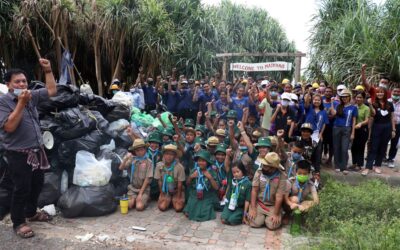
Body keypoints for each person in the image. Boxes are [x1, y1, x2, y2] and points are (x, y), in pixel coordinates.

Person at [0, 59, 56, 238]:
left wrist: (48, 71)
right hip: (18, 153)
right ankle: (18, 222)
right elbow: (9, 127)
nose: (22, 84)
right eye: (17, 81)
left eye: (24, 81)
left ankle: (31, 213)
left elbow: (51, 91)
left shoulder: (30, 96)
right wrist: (21, 103)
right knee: (21, 187)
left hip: (36, 151)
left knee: (37, 184)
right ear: (8, 85)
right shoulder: (4, 102)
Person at [248, 152, 288, 230]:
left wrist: (276, 214)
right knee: (255, 222)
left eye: (266, 166)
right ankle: (261, 218)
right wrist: (253, 208)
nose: (263, 167)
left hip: (272, 205)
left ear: (273, 168)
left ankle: (279, 213)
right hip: (260, 203)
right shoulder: (259, 172)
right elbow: (254, 191)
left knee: (272, 225)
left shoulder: (282, 176)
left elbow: (279, 196)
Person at [364, 87, 395, 175]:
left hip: (387, 127)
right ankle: (368, 167)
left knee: (383, 147)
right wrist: (370, 104)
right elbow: (373, 114)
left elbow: (392, 117)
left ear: (385, 93)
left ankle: (377, 165)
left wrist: (393, 129)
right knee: (374, 147)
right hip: (377, 127)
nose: (379, 94)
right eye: (378, 92)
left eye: (381, 92)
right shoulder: (374, 103)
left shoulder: (389, 104)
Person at [183, 150, 219, 222]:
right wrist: (191, 177)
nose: (200, 163)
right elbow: (187, 184)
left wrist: (210, 178)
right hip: (195, 195)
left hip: (207, 195)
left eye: (203, 161)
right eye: (199, 160)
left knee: (204, 214)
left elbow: (216, 187)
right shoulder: (194, 170)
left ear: (207, 162)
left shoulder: (212, 172)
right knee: (188, 213)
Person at [119, 139, 153, 211]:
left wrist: (140, 194)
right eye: (137, 151)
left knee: (139, 207)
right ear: (134, 152)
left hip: (143, 189)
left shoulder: (149, 162)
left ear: (145, 149)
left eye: (141, 150)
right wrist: (125, 159)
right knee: (130, 205)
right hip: (133, 188)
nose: (140, 152)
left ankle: (145, 198)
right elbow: (121, 168)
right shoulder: (133, 160)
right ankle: (135, 198)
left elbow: (147, 179)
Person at [331, 89, 357, 174]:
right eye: (343, 97)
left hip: (347, 129)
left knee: (344, 148)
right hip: (336, 128)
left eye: (346, 96)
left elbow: (354, 121)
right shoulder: (338, 106)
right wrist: (332, 103)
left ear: (349, 97)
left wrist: (353, 133)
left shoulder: (353, 108)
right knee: (336, 147)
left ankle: (344, 166)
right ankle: (337, 165)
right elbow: (333, 113)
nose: (344, 98)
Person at [154, 144, 186, 212]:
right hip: (165, 190)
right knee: (162, 207)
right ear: (163, 155)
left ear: (175, 156)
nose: (169, 156)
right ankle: (169, 200)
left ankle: (173, 200)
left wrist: (178, 196)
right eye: (167, 154)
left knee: (178, 208)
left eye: (172, 154)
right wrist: (162, 194)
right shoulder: (159, 166)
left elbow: (180, 183)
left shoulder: (179, 167)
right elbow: (159, 181)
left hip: (176, 190)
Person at [221, 161, 252, 225]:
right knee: (224, 219)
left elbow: (247, 201)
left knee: (232, 220)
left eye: (238, 172)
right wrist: (225, 197)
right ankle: (229, 214)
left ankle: (238, 217)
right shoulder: (233, 181)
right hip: (230, 205)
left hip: (239, 207)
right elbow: (228, 193)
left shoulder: (248, 183)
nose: (236, 174)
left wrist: (244, 216)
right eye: (234, 172)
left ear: (242, 171)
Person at [350, 92, 370, 171]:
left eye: (360, 97)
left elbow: (367, 120)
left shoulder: (366, 108)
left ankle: (359, 164)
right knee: (353, 147)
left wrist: (360, 124)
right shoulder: (353, 107)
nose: (358, 99)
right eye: (357, 97)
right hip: (354, 130)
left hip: (362, 130)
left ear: (364, 99)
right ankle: (354, 163)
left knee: (360, 148)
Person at [386, 86, 400, 168]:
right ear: (392, 92)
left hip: (398, 125)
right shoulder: (387, 101)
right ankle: (381, 158)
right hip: (387, 125)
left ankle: (391, 159)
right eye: (395, 91)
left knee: (394, 143)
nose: (396, 93)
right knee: (383, 142)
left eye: (398, 92)